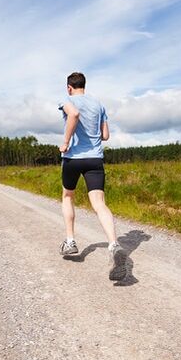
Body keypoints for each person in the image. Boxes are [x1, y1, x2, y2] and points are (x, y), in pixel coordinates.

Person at [58, 72, 122, 279]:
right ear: (84, 85)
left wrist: (66, 142)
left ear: (69, 87)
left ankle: (70, 242)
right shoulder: (98, 104)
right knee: (99, 203)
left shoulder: (67, 100)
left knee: (68, 196)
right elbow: (105, 135)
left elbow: (74, 114)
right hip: (95, 159)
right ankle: (114, 245)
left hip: (73, 158)